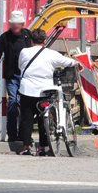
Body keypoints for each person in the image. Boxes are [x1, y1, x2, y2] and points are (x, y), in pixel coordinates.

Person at [16, 28, 75, 156]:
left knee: (27, 119)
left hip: (27, 90)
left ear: (31, 40)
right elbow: (67, 61)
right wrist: (76, 62)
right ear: (45, 40)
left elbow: (20, 66)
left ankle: (26, 147)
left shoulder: (24, 52)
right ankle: (42, 147)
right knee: (44, 119)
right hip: (45, 91)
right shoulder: (51, 54)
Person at [0, 10, 31, 142]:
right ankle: (12, 134)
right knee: (12, 103)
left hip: (26, 76)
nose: (16, 27)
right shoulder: (5, 37)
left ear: (22, 24)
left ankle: (24, 134)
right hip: (12, 76)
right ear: (10, 25)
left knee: (25, 104)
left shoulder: (28, 35)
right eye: (13, 25)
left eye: (18, 24)